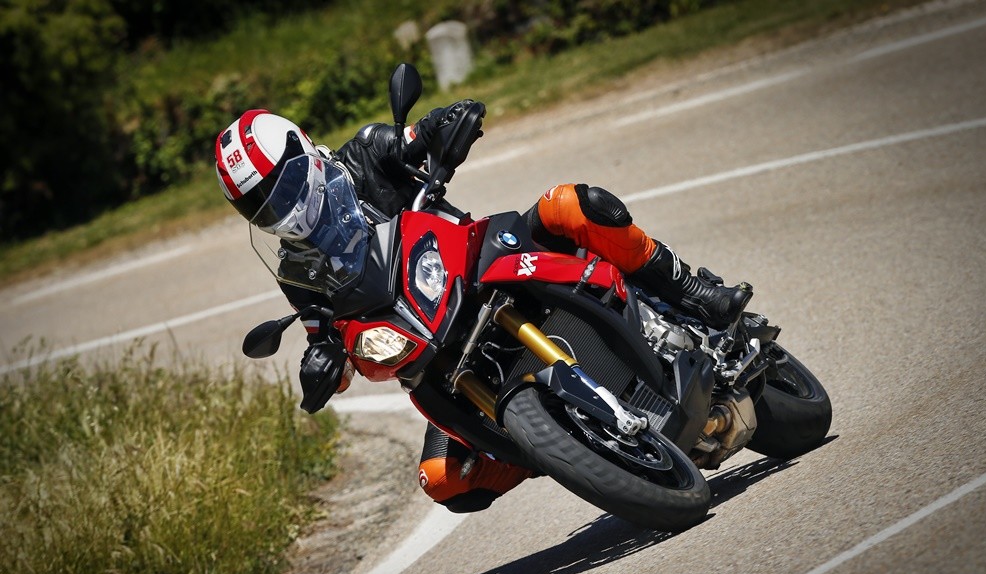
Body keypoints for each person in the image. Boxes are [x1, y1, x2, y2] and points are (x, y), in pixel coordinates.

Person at [215, 104, 751, 513]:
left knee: (570, 205)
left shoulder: (364, 153)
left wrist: (446, 125)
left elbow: (417, 137)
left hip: (478, 266)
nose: (280, 208)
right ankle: (565, 451)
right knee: (442, 479)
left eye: (283, 186)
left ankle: (691, 292)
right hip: (435, 347)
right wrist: (323, 365)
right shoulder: (297, 267)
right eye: (259, 205)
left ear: (304, 151)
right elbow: (322, 332)